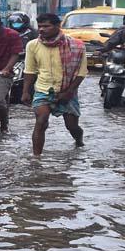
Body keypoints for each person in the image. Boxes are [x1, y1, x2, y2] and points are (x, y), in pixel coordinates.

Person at [21, 12, 87, 156]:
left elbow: (81, 73)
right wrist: (25, 91)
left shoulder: (77, 46)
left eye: (46, 26)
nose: (42, 29)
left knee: (72, 126)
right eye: (40, 26)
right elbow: (30, 70)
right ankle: (36, 158)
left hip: (67, 91)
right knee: (41, 120)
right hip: (43, 90)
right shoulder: (33, 45)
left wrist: (68, 92)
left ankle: (79, 140)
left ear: (57, 26)